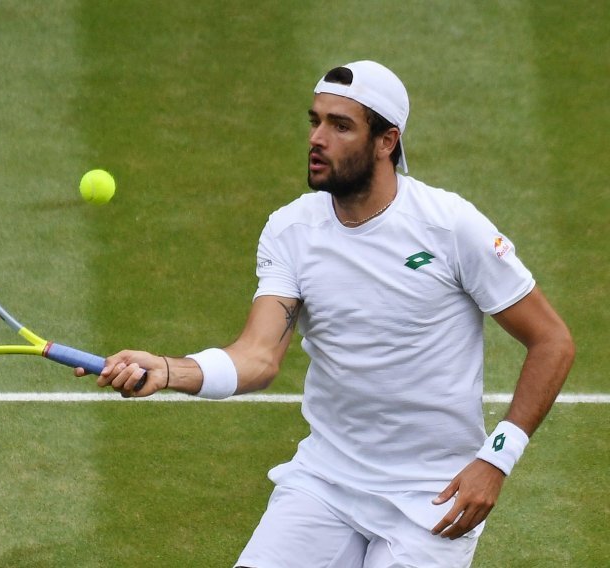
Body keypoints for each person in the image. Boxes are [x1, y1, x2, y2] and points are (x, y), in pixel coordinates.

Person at [76, 60, 575, 568]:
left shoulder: (449, 227)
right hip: (326, 480)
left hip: (433, 494)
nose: (317, 138)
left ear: (387, 141)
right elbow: (257, 357)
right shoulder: (290, 230)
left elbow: (552, 341)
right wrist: (166, 369)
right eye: (315, 121)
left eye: (340, 126)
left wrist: (496, 458)